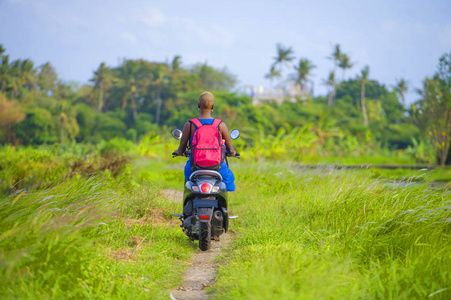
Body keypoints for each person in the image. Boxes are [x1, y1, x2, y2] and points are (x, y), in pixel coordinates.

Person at [173, 92, 236, 191]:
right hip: (217, 167)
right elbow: (231, 149)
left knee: (188, 182)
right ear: (213, 106)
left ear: (198, 105)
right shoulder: (220, 125)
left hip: (194, 167)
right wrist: (232, 153)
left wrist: (178, 152)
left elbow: (181, 149)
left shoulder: (190, 125)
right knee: (230, 183)